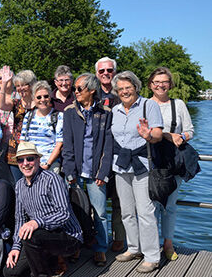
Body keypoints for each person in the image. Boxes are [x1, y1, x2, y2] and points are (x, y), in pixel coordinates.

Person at [4, 142, 82, 277]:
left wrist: (37, 222)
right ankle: (50, 261)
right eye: (21, 160)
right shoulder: (19, 186)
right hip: (40, 237)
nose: (25, 163)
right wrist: (16, 246)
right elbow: (20, 219)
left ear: (38, 159)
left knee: (32, 237)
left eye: (30, 158)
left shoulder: (52, 179)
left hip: (68, 236)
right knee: (10, 272)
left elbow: (64, 214)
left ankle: (42, 274)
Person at [111, 71, 163, 273]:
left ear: (136, 87)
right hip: (120, 164)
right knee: (126, 211)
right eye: (121, 88)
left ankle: (152, 256)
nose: (125, 91)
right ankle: (134, 248)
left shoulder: (148, 105)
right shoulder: (115, 110)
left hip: (141, 165)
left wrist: (149, 135)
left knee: (145, 212)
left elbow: (158, 133)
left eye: (128, 87)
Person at [62, 73, 113, 266]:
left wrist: (103, 172)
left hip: (95, 173)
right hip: (75, 172)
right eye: (75, 89)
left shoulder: (105, 113)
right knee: (74, 211)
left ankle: (100, 249)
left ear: (92, 90)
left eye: (78, 89)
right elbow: (67, 145)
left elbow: (108, 147)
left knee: (99, 212)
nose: (75, 92)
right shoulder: (69, 112)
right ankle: (75, 246)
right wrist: (69, 172)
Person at [148, 67, 194, 261]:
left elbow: (191, 130)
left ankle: (168, 242)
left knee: (170, 205)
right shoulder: (143, 104)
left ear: (170, 84)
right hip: (149, 161)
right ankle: (150, 246)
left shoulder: (179, 104)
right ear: (150, 84)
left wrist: (182, 136)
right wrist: (168, 135)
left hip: (172, 161)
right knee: (150, 207)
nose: (161, 85)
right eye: (157, 82)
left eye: (164, 81)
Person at [95, 56, 125, 252]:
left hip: (120, 153)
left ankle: (119, 238)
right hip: (96, 155)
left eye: (109, 70)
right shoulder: (90, 92)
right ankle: (96, 238)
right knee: (95, 203)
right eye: (102, 71)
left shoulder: (123, 93)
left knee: (119, 200)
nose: (106, 74)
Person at [0, 66, 37, 182]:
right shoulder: (16, 103)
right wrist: (4, 84)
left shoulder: (40, 101)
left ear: (32, 85)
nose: (20, 88)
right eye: (18, 86)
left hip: (35, 148)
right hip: (16, 150)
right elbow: (1, 105)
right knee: (18, 184)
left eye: (24, 85)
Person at [20, 81, 63, 173]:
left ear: (50, 97)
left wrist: (47, 164)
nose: (42, 100)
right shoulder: (28, 115)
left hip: (50, 165)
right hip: (30, 164)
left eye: (46, 96)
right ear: (34, 99)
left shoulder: (58, 116)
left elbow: (59, 144)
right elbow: (23, 141)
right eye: (39, 97)